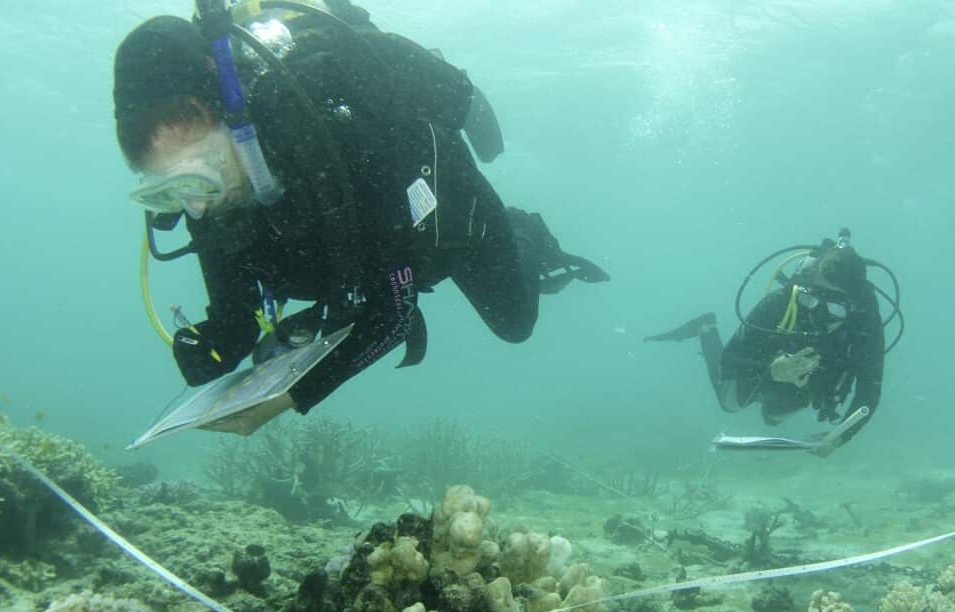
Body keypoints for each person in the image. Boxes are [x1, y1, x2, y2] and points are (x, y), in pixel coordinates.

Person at [112, 2, 608, 435]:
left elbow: (394, 315)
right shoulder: (209, 197)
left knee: (514, 323)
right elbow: (235, 317)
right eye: (166, 192)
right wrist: (211, 348)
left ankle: (523, 231)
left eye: (200, 178)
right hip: (361, 256)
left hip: (446, 223)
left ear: (234, 122)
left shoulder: (332, 137)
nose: (195, 206)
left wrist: (288, 399)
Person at [645, 231, 886, 456]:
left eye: (836, 304)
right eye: (814, 298)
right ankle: (706, 329)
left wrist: (842, 435)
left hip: (808, 377)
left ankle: (773, 407)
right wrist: (771, 368)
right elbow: (728, 362)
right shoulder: (781, 302)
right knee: (728, 403)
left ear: (853, 304)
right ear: (807, 283)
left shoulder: (865, 322)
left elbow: (870, 387)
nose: (822, 313)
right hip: (764, 360)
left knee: (777, 414)